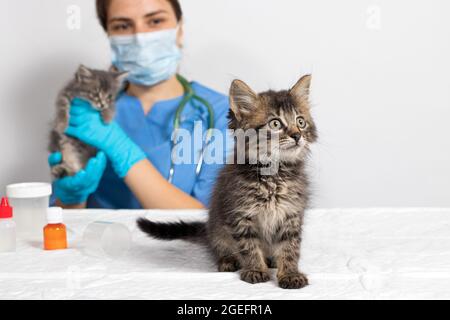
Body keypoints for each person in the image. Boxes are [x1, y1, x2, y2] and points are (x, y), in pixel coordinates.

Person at [48, 0, 230, 210]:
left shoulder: (219, 112)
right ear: (109, 36)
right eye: (123, 26)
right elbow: (63, 226)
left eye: (155, 21)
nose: (140, 37)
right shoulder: (86, 111)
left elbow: (211, 223)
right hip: (100, 242)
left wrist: (121, 149)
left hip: (179, 243)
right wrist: (72, 197)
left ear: (179, 30)